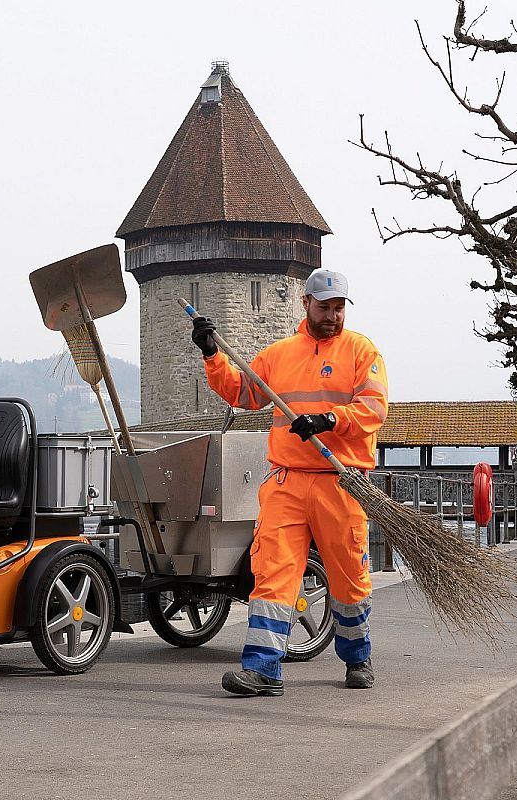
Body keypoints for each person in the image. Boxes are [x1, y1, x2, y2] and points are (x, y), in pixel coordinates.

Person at [190, 267, 387, 697]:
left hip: (342, 480)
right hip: (287, 481)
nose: (333, 316)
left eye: (339, 308)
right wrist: (212, 355)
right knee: (272, 573)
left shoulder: (362, 352)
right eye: (325, 307)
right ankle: (263, 669)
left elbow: (373, 409)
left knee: (348, 577)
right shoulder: (279, 354)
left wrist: (329, 419)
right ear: (306, 304)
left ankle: (357, 657)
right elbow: (243, 393)